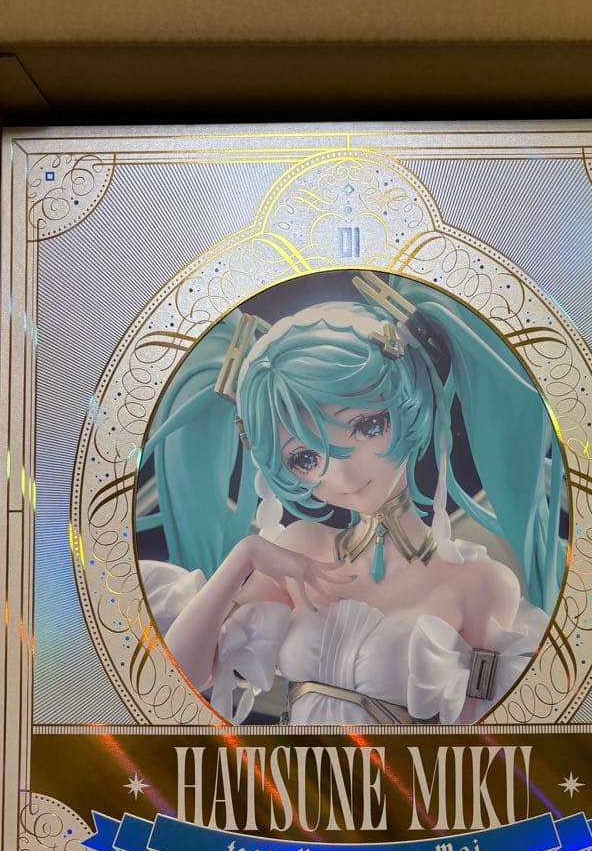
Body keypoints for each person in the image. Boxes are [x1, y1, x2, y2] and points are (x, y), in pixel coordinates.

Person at [136, 272, 566, 725]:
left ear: (408, 407)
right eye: (305, 458)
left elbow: (480, 730)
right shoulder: (300, 547)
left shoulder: (481, 582)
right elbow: (183, 677)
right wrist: (246, 554)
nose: (341, 473)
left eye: (366, 426)